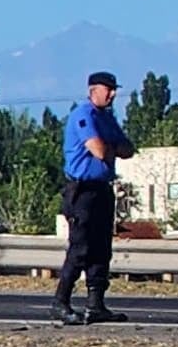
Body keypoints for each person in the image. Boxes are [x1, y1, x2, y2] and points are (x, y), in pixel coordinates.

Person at [54, 71, 133, 326]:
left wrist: (110, 147)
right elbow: (99, 150)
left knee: (101, 249)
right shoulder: (84, 115)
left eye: (113, 89)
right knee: (80, 249)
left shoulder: (107, 118)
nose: (112, 94)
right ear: (92, 91)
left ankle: (95, 304)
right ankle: (61, 303)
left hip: (102, 189)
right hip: (82, 191)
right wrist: (111, 148)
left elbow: (129, 150)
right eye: (106, 89)